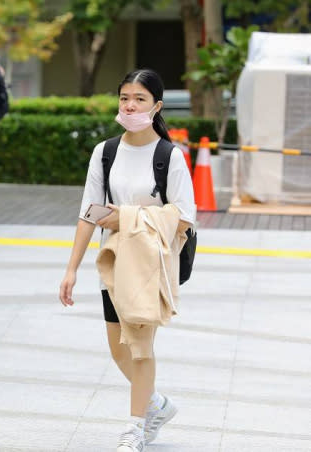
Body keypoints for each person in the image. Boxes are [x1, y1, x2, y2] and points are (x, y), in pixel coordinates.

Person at [59, 69, 196, 452]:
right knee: (117, 347)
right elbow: (89, 212)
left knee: (140, 347)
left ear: (156, 106)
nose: (130, 105)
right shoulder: (105, 152)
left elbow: (185, 215)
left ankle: (135, 428)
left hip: (150, 263)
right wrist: (71, 268)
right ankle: (156, 405)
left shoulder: (169, 156)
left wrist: (129, 217)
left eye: (139, 99)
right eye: (124, 98)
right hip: (114, 261)